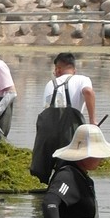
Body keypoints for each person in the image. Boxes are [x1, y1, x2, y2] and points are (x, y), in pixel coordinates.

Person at [30, 52, 98, 184]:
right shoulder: (81, 79)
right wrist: (92, 121)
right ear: (74, 68)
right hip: (69, 130)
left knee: (41, 171)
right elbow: (88, 92)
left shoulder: (50, 83)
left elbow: (46, 110)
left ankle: (41, 196)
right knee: (69, 167)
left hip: (46, 132)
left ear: (58, 69)